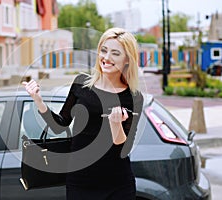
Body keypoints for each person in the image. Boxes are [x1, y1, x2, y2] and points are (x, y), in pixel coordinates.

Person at [22, 27, 144, 200]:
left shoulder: (133, 97)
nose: (106, 58)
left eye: (115, 53)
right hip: (81, 181)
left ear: (127, 60)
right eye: (104, 50)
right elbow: (59, 125)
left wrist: (115, 124)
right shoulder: (81, 84)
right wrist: (38, 100)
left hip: (117, 183)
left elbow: (124, 148)